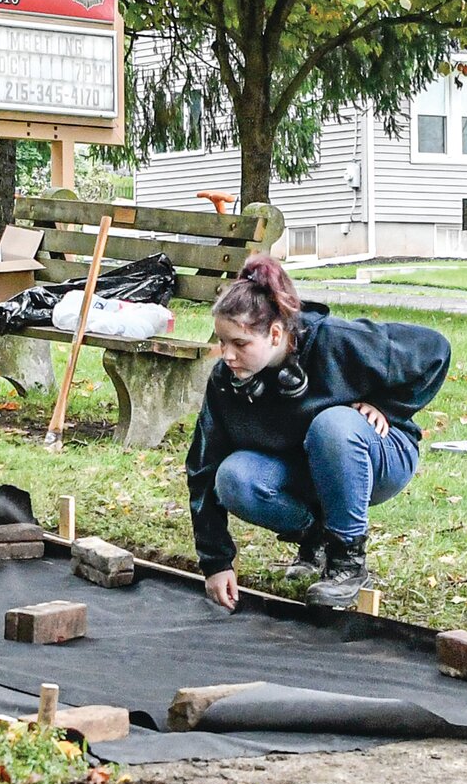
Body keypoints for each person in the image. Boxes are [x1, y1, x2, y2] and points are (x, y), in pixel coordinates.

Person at [186, 256, 450, 610]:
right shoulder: (225, 382)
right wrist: (215, 563)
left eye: (240, 344)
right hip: (303, 466)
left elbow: (435, 349)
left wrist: (389, 407)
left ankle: (348, 562)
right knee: (233, 476)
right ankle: (317, 539)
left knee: (332, 424)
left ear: (276, 333)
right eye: (222, 341)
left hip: (378, 454)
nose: (228, 355)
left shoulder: (340, 341)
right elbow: (202, 468)